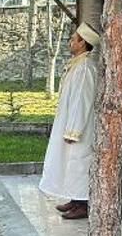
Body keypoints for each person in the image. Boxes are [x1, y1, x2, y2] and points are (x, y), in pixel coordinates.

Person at [39, 22, 100, 220]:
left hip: (79, 125)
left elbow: (82, 101)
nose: (70, 42)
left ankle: (84, 203)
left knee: (79, 162)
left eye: (74, 39)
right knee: (70, 162)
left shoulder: (85, 68)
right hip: (69, 121)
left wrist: (74, 130)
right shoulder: (78, 64)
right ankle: (75, 199)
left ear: (83, 43)